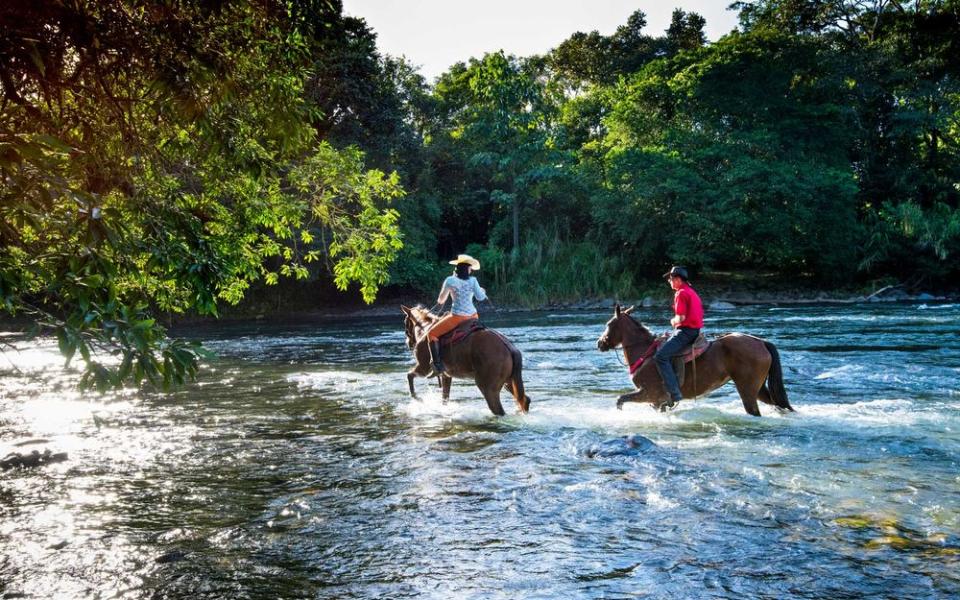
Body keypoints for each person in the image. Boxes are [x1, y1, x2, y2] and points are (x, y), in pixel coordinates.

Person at [427, 254, 487, 374]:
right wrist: (483, 291)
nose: (471, 270)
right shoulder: (473, 280)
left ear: (458, 268)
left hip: (457, 317)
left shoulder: (450, 280)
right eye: (470, 268)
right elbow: (480, 298)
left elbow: (441, 300)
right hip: (473, 316)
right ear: (467, 269)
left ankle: (437, 365)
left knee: (431, 334)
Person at [654, 266, 704, 410]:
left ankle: (674, 393)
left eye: (670, 278)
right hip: (694, 331)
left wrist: (673, 321)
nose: (669, 281)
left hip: (686, 332)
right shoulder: (691, 292)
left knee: (660, 357)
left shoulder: (681, 293)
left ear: (677, 279)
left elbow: (680, 317)